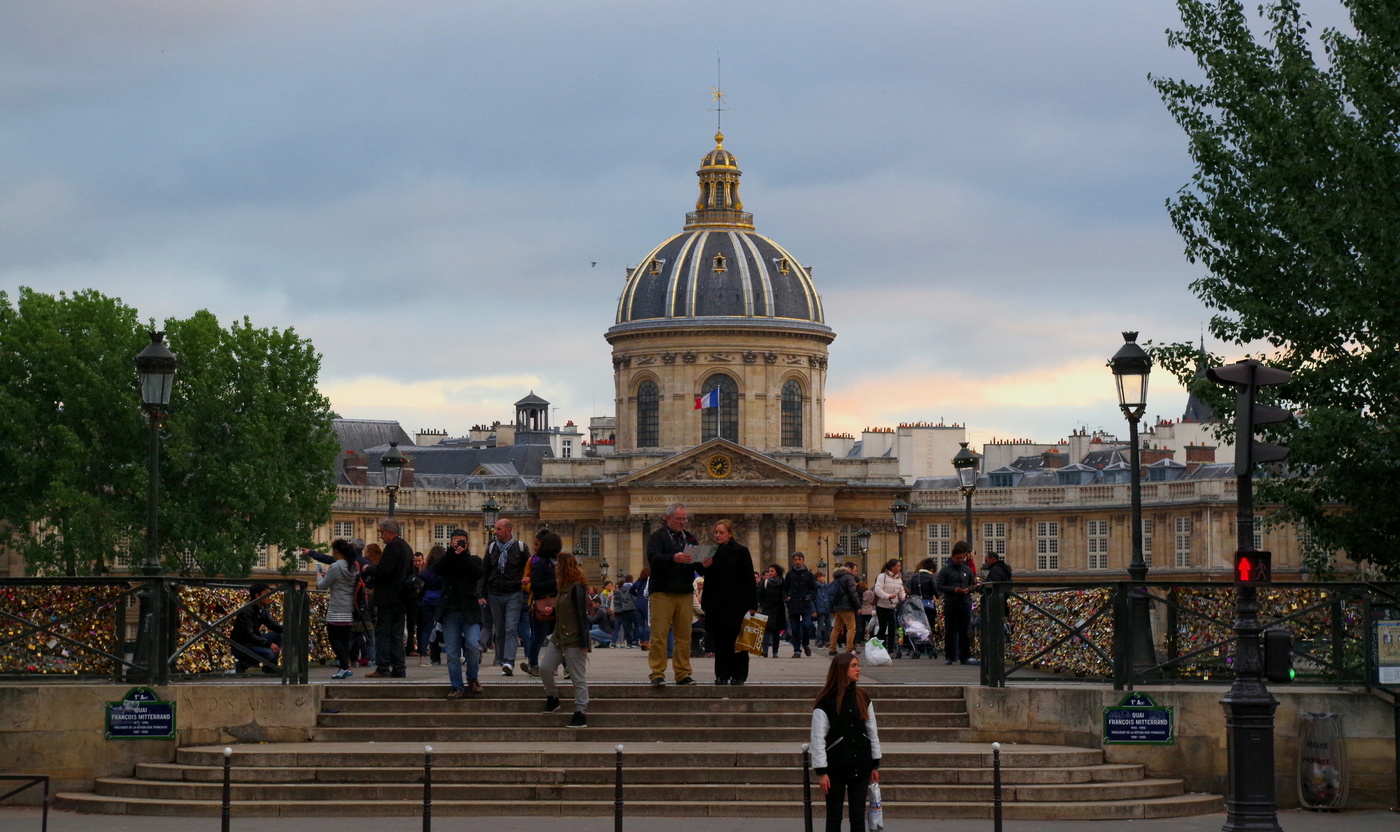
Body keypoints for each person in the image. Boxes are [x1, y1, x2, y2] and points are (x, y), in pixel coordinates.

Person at [810, 652, 882, 832]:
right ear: (842, 670)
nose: (858, 669)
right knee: (834, 816)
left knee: (858, 816)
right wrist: (821, 771)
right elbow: (818, 738)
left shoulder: (863, 697)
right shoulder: (826, 701)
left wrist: (875, 763)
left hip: (861, 764)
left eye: (858, 665)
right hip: (836, 767)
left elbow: (872, 730)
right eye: (853, 666)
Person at [645, 503, 700, 686]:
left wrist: (704, 563)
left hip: (684, 592)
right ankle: (657, 673)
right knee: (659, 635)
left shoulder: (690, 539)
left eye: (684, 519)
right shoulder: (657, 537)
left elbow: (696, 565)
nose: (682, 522)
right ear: (668, 518)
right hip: (662, 592)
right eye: (679, 519)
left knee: (684, 637)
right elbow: (653, 559)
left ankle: (683, 673)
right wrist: (673, 558)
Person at [698, 519, 757, 685]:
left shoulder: (741, 551)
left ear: (730, 534)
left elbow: (749, 579)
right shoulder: (710, 551)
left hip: (737, 604)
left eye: (721, 532)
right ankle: (722, 674)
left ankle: (739, 675)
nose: (717, 535)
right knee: (721, 642)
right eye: (716, 532)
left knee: (738, 642)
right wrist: (704, 565)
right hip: (717, 604)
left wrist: (752, 605)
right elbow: (700, 571)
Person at [539, 544, 591, 728]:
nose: (554, 569)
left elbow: (581, 615)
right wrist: (552, 609)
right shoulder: (562, 587)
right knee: (545, 668)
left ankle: (580, 712)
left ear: (563, 567)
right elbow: (565, 609)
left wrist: (585, 643)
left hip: (574, 638)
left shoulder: (576, 587)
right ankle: (553, 698)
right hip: (559, 636)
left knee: (578, 677)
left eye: (556, 566)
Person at [435, 528, 486, 699]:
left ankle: (472, 677)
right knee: (452, 653)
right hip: (450, 611)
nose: (459, 545)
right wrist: (451, 553)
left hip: (470, 610)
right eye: (456, 542)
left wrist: (463, 555)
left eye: (462, 542)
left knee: (473, 646)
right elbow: (436, 570)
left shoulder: (474, 560)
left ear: (468, 544)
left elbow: (477, 573)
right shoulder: (447, 560)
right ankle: (457, 686)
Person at [362, 518, 413, 678]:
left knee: (383, 633)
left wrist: (368, 568)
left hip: (389, 597)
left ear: (390, 532)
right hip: (402, 597)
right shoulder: (406, 547)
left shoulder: (393, 547)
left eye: (382, 533)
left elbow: (385, 570)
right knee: (397, 635)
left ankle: (383, 667)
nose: (381, 536)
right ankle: (399, 668)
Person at [482, 518, 530, 676]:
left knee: (511, 628)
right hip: (495, 593)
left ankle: (509, 661)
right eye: (495, 528)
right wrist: (481, 594)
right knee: (500, 629)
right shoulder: (491, 548)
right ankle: (502, 658)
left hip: (513, 593)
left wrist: (527, 579)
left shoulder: (521, 548)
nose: (495, 532)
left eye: (498, 529)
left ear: (508, 530)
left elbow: (529, 567)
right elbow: (485, 572)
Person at [315, 539, 360, 679]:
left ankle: (344, 666)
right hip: (349, 608)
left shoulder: (335, 566)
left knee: (334, 638)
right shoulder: (354, 566)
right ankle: (344, 668)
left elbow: (322, 586)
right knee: (345, 639)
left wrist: (318, 577)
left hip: (336, 608)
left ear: (336, 551)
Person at [521, 529, 560, 676]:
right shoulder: (536, 561)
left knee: (556, 635)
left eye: (537, 544)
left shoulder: (556, 561)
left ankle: (556, 665)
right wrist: (555, 583)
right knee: (540, 635)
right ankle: (534, 664)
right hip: (540, 603)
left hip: (555, 603)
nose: (535, 547)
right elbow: (533, 584)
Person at [936, 541, 979, 665]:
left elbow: (973, 584)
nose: (960, 560)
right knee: (950, 630)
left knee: (965, 630)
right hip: (951, 602)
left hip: (965, 602)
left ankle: (964, 656)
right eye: (958, 558)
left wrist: (969, 589)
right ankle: (950, 656)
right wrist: (954, 590)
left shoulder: (967, 570)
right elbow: (939, 586)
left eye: (962, 558)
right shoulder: (945, 570)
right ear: (953, 557)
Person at [231, 582, 283, 672]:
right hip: (242, 645)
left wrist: (288, 629)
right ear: (257, 596)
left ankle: (271, 667)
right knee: (269, 654)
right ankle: (242, 665)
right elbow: (249, 635)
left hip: (253, 640)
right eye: (266, 594)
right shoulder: (247, 611)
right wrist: (269, 644)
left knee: (278, 636)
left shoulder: (262, 609)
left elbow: (272, 625)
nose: (269, 597)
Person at [784, 552, 819, 657]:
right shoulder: (789, 575)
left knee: (806, 626)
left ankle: (805, 644)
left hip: (805, 604)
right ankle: (796, 650)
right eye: (795, 560)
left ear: (803, 560)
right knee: (794, 629)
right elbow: (785, 589)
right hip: (793, 604)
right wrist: (786, 597)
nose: (797, 561)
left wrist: (809, 596)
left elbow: (814, 589)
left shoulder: (809, 575)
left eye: (799, 559)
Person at [417, 546, 445, 666]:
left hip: (428, 602)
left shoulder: (426, 570)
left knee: (427, 629)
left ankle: (423, 656)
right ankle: (452, 654)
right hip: (442, 602)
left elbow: (422, 586)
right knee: (448, 628)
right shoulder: (444, 569)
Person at [872, 559, 907, 655]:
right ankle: (877, 648)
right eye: (898, 566)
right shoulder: (882, 576)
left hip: (893, 606)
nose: (900, 568)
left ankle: (890, 651)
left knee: (892, 628)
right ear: (892, 567)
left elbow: (901, 591)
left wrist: (905, 598)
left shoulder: (898, 578)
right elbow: (878, 590)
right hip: (882, 606)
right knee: (882, 628)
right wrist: (888, 596)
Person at [827, 561, 861, 655]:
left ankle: (832, 648)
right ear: (849, 569)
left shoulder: (836, 578)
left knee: (836, 628)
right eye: (855, 570)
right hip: (847, 607)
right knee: (851, 628)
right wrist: (858, 606)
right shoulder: (849, 577)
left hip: (837, 607)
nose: (855, 573)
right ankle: (849, 648)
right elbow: (853, 593)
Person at [757, 564, 786, 658]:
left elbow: (784, 594)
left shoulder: (782, 582)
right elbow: (759, 595)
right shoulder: (765, 582)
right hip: (767, 609)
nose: (770, 573)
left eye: (772, 571)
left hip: (778, 610)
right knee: (767, 631)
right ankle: (765, 650)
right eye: (769, 571)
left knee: (776, 632)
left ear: (777, 572)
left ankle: (775, 651)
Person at [614, 573, 639, 647]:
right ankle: (635, 641)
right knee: (636, 625)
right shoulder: (633, 588)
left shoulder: (621, 589)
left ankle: (629, 642)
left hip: (624, 609)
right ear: (632, 580)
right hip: (633, 608)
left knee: (627, 626)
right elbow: (635, 597)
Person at [814, 572, 834, 646]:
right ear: (817, 578)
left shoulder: (826, 587)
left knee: (828, 626)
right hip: (820, 609)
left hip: (827, 609)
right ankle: (818, 641)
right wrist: (814, 610)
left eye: (823, 577)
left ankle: (827, 641)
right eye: (821, 577)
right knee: (820, 626)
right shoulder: (816, 587)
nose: (823, 578)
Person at [857, 581, 875, 649]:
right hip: (870, 610)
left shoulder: (859, 594)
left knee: (862, 626)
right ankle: (871, 638)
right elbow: (873, 600)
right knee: (870, 626)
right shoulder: (870, 592)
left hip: (862, 611)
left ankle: (861, 640)